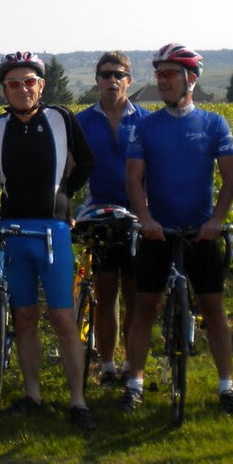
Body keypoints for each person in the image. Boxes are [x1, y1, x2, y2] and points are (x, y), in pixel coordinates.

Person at [0, 52, 98, 429]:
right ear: (5, 90)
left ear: (41, 86)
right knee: (23, 318)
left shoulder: (61, 119)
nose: (23, 89)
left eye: (29, 82)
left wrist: (64, 198)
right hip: (13, 233)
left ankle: (78, 401)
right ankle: (32, 395)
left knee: (63, 317)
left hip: (53, 232)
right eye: (14, 84)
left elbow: (86, 162)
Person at [123, 43, 233, 414]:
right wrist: (145, 218)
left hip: (200, 230)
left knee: (213, 308)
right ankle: (134, 384)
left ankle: (226, 387)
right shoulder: (146, 125)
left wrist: (217, 220)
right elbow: (133, 179)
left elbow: (230, 179)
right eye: (159, 74)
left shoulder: (213, 124)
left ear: (191, 79)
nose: (162, 81)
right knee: (144, 306)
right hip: (157, 230)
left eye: (170, 75)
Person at [74, 51, 150, 387]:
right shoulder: (82, 122)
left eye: (118, 75)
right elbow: (69, 170)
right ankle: (107, 365)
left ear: (128, 81)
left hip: (137, 215)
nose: (112, 80)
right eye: (106, 75)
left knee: (135, 295)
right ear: (97, 80)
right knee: (105, 295)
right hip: (98, 215)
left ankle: (131, 365)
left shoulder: (145, 121)